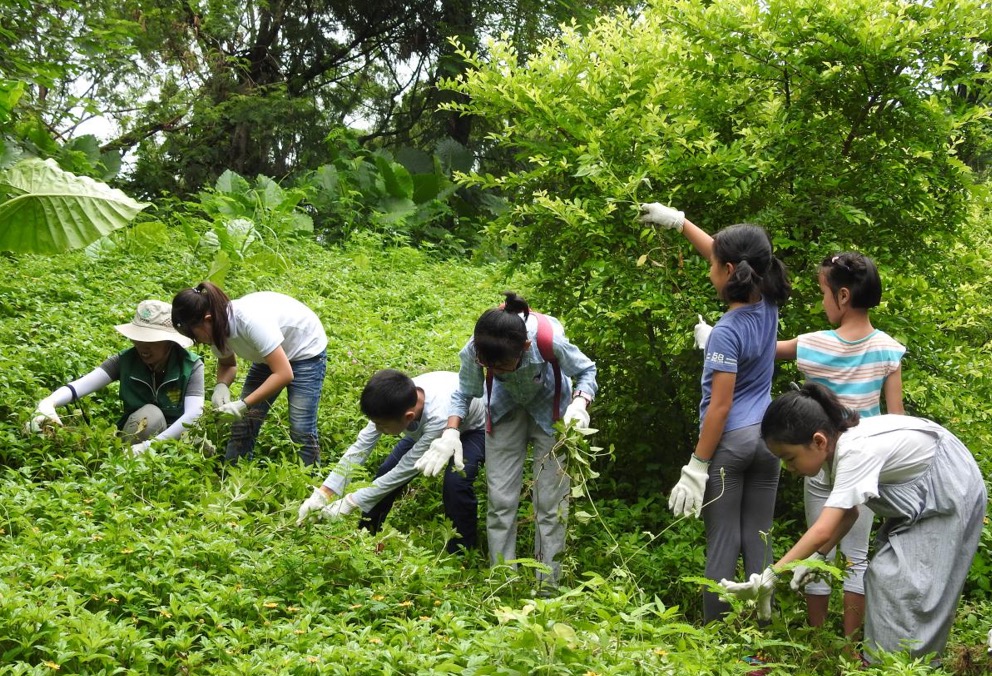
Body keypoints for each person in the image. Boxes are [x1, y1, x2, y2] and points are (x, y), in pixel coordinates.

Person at [720, 383, 985, 664]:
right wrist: (818, 557)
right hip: (925, 499)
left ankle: (904, 666)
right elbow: (849, 514)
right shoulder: (837, 450)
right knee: (886, 578)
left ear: (818, 441)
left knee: (904, 585)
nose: (789, 468)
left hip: (950, 491)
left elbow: (823, 527)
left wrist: (771, 575)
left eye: (789, 458)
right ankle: (886, 664)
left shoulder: (854, 451)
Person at [639, 202, 791, 621]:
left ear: (729, 271)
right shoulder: (769, 301)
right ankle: (762, 621)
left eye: (714, 265)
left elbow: (720, 406)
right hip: (768, 443)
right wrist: (682, 222)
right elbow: (724, 253)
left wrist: (697, 464)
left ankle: (716, 632)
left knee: (723, 540)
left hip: (732, 445)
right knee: (759, 537)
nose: (709, 268)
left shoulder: (725, 331)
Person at [776, 252, 906, 638]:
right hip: (867, 466)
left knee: (819, 551)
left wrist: (714, 338)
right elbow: (895, 420)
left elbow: (756, 348)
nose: (822, 302)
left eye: (823, 293)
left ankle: (817, 642)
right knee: (857, 558)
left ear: (843, 296)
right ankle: (850, 648)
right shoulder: (888, 348)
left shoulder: (813, 345)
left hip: (821, 461)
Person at [440, 292, 597, 588]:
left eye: (500, 367)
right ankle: (502, 579)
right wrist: (451, 431)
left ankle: (548, 583)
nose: (494, 372)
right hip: (503, 409)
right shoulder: (477, 349)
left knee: (551, 503)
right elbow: (463, 392)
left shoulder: (548, 341)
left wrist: (580, 403)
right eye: (490, 368)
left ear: (524, 348)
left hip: (552, 411)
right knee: (500, 499)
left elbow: (587, 370)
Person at [296, 369, 486, 553]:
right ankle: (365, 538)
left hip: (474, 429)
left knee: (456, 483)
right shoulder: (392, 401)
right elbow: (361, 447)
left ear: (408, 417)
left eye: (382, 425)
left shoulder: (438, 415)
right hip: (428, 430)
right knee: (385, 472)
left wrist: (351, 501)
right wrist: (324, 493)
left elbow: (406, 469)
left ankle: (460, 553)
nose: (378, 429)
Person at [171, 282, 327, 466]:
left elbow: (284, 373)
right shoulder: (214, 328)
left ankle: (311, 479)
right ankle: (233, 474)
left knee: (301, 427)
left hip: (305, 350)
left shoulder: (249, 321)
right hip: (268, 356)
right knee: (243, 423)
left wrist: (244, 404)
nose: (197, 341)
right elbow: (227, 364)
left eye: (194, 335)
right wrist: (221, 386)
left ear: (208, 318)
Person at [29, 300, 204, 454]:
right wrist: (49, 402)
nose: (142, 346)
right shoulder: (126, 359)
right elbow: (81, 385)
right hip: (136, 439)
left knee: (177, 428)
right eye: (138, 339)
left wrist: (151, 446)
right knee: (150, 416)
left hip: (176, 440)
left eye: (151, 341)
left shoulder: (191, 366)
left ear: (169, 342)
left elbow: (193, 415)